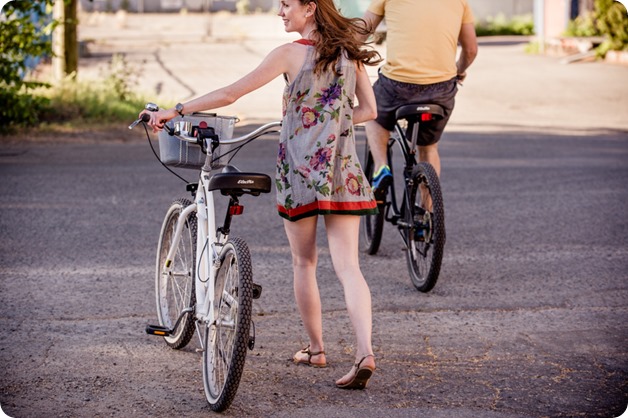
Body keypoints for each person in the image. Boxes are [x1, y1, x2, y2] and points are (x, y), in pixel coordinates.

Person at [141, 0, 381, 390]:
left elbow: (231, 94)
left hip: (301, 174)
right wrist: (329, 120)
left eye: (287, 4)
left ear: (310, 8)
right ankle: (365, 352)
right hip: (342, 172)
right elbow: (369, 110)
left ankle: (317, 349)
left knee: (304, 262)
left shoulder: (289, 54)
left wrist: (177, 109)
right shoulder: (348, 54)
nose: (280, 11)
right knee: (348, 267)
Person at [360, 0, 479, 198]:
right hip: (441, 89)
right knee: (429, 147)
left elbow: (359, 34)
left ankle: (381, 167)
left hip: (397, 85)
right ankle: (426, 216)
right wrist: (459, 71)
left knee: (372, 113)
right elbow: (471, 50)